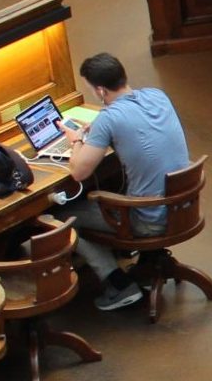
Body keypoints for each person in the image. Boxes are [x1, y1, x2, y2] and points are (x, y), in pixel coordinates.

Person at [62, 53, 188, 310]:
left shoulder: (109, 119)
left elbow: (78, 172)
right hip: (183, 206)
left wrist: (76, 140)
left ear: (99, 90)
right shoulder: (157, 95)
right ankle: (137, 263)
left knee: (63, 218)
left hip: (150, 219)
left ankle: (118, 285)